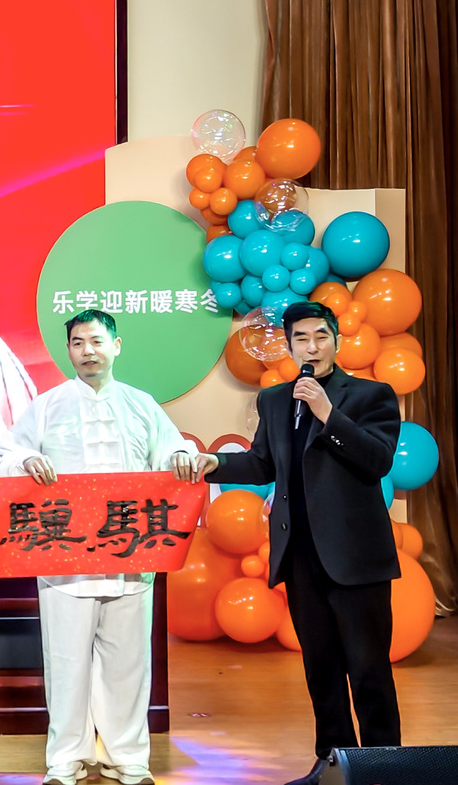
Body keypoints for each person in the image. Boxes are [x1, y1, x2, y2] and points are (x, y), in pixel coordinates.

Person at [184, 301, 401, 785]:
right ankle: (333, 766)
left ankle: (383, 771)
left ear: (337, 341)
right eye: (301, 338)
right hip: (300, 554)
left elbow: (377, 460)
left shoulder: (371, 395)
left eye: (321, 336)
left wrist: (327, 413)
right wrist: (216, 463)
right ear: (289, 345)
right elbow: (263, 462)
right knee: (321, 670)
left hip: (355, 557)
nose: (312, 347)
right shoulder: (276, 400)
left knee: (368, 671)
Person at [0, 309, 197, 785]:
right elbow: (7, 455)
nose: (88, 351)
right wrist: (27, 460)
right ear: (68, 350)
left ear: (116, 346)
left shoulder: (141, 404)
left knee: (128, 664)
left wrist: (181, 455)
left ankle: (128, 758)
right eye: (78, 343)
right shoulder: (47, 405)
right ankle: (65, 759)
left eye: (97, 341)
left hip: (132, 555)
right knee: (66, 663)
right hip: (65, 559)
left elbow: (171, 450)